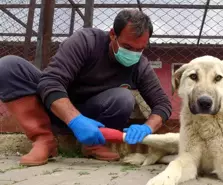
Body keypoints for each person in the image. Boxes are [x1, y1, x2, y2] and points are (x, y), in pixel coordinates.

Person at [0, 9, 172, 166]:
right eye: (127, 47)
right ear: (112, 35)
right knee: (8, 66)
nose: (133, 54)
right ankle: (44, 139)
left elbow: (162, 104)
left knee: (123, 98)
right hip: (53, 108)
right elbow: (51, 82)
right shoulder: (86, 42)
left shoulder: (140, 66)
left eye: (139, 49)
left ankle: (94, 145)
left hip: (93, 117)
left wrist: (148, 127)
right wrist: (76, 120)